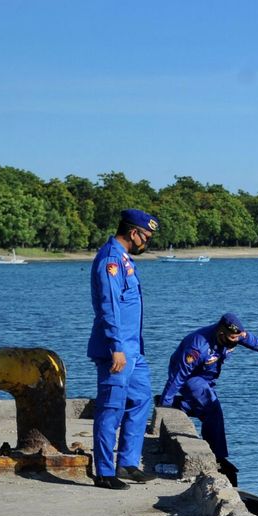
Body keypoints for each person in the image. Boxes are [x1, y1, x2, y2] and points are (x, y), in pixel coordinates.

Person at [159, 312, 258, 485]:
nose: (236, 341)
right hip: (190, 377)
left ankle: (180, 406)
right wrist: (164, 406)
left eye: (238, 337)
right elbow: (178, 376)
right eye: (233, 337)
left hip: (207, 379)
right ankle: (218, 455)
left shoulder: (234, 336)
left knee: (207, 413)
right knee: (213, 407)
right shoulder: (198, 346)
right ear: (221, 332)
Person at [88, 209, 159, 490]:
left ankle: (128, 463)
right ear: (134, 233)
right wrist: (116, 347)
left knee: (141, 400)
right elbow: (109, 306)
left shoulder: (126, 260)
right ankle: (105, 472)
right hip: (115, 350)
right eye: (147, 237)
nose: (147, 243)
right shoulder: (111, 260)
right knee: (110, 409)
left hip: (134, 350)